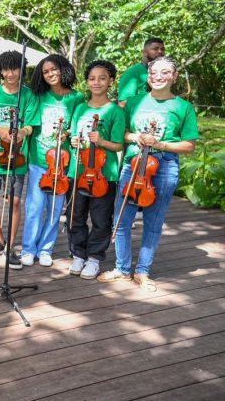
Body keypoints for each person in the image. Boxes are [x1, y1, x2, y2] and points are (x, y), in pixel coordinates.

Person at [99, 56, 198, 291]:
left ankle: (142, 271)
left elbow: (189, 145)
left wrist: (160, 144)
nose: (159, 76)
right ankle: (123, 269)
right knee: (122, 220)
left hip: (164, 166)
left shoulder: (183, 107)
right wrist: (136, 137)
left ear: (174, 76)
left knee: (154, 221)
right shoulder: (133, 102)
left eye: (165, 72)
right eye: (154, 72)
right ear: (148, 76)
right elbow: (120, 133)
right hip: (133, 165)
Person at [21, 54, 84, 267]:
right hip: (39, 159)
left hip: (62, 163)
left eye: (53, 69)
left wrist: (70, 135)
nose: (50, 74)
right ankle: (28, 249)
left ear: (63, 69)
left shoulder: (76, 98)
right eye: (45, 72)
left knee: (56, 208)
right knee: (35, 207)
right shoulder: (38, 96)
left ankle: (46, 249)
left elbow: (78, 127)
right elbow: (30, 124)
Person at [0, 50, 38, 269]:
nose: (10, 73)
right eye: (5, 69)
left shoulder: (28, 95)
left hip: (17, 158)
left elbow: (31, 125)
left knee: (14, 200)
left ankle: (11, 246)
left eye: (14, 68)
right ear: (0, 71)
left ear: (22, 70)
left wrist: (22, 132)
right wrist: (0, 131)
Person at [67, 60, 125, 279]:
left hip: (103, 173)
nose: (97, 82)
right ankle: (78, 254)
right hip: (78, 170)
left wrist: (100, 141)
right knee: (76, 215)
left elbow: (119, 144)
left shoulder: (115, 111)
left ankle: (94, 258)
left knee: (101, 218)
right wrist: (74, 141)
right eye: (92, 78)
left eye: (102, 78)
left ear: (110, 81)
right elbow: (74, 135)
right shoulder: (81, 107)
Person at [117, 38, 165, 107]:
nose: (160, 52)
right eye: (155, 49)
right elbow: (123, 103)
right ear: (144, 52)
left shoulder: (165, 73)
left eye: (162, 49)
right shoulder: (133, 73)